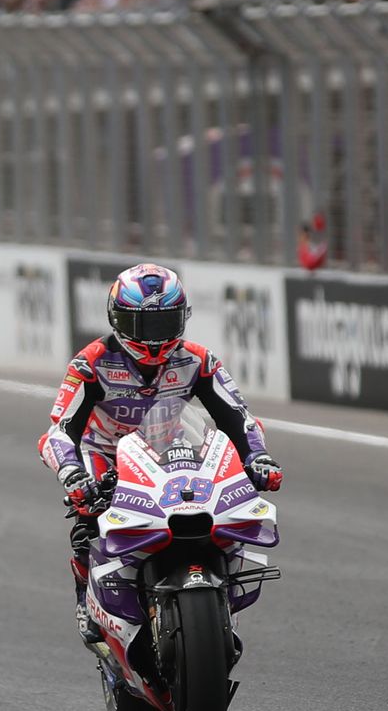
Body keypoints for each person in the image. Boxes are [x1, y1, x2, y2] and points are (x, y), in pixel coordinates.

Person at [37, 263, 283, 644]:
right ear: (117, 319)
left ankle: (221, 591)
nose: (154, 338)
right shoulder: (90, 364)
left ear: (182, 318)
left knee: (217, 510)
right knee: (87, 521)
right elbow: (59, 432)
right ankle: (86, 598)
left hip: (170, 448)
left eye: (164, 324)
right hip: (105, 455)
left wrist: (257, 458)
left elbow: (240, 419)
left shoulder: (199, 360)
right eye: (143, 326)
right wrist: (72, 473)